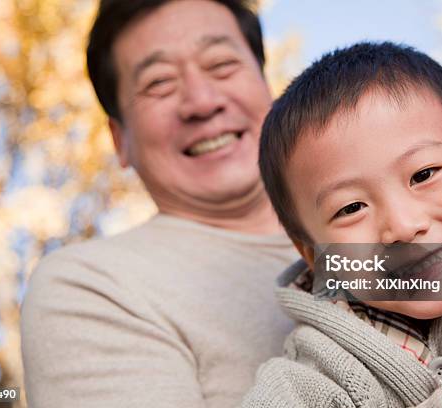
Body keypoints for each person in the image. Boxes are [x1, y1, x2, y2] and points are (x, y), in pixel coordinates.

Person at [242, 41, 442, 407]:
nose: (402, 226)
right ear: (316, 257)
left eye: (423, 174)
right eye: (350, 208)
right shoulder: (306, 380)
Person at [20, 1, 300, 407]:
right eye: (158, 84)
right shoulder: (94, 288)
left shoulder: (394, 224)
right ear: (119, 140)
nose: (202, 102)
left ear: (268, 87)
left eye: (221, 64)